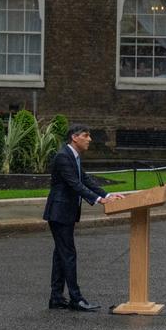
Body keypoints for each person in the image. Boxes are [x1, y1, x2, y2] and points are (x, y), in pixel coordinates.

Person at [44, 125, 120, 312]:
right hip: (59, 212)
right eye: (86, 135)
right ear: (74, 137)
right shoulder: (63, 156)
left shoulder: (73, 156)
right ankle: (76, 299)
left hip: (64, 212)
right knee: (68, 254)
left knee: (61, 255)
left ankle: (56, 298)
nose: (90, 139)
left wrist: (107, 195)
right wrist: (99, 199)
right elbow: (74, 183)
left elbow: (85, 179)